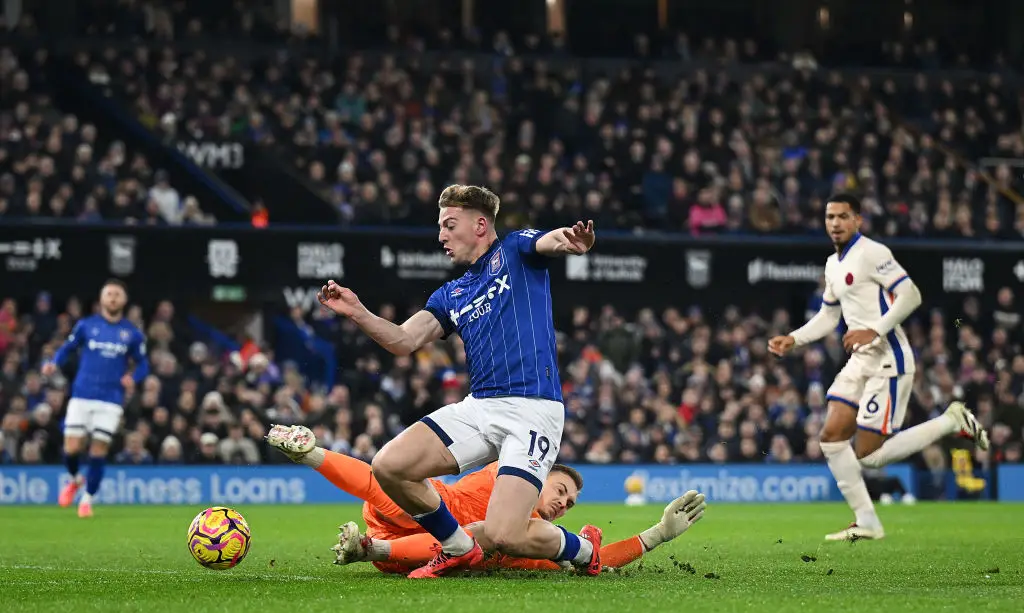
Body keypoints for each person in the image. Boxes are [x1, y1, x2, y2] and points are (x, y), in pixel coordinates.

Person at [315, 184, 600, 578]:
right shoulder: (452, 293)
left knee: (505, 534)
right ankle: (456, 547)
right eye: (440, 228)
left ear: (480, 224)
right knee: (389, 466)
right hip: (480, 406)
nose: (441, 237)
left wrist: (568, 240)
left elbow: (548, 242)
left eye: (449, 225)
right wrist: (358, 311)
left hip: (533, 409)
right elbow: (403, 340)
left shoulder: (515, 250)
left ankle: (585, 549)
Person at [768, 194, 987, 541]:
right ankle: (866, 519)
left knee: (868, 457)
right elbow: (829, 315)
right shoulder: (832, 264)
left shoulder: (873, 253)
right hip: (860, 359)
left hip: (889, 358)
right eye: (829, 217)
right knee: (830, 439)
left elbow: (911, 295)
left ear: (858, 220)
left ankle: (951, 421)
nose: (835, 223)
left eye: (842, 216)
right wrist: (794, 339)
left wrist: (875, 329)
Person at [264, 424, 707, 573]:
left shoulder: (538, 539)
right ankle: (311, 454)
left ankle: (371, 551)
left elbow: (596, 559)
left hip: (404, 556)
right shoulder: (509, 473)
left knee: (488, 538)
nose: (563, 504)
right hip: (419, 509)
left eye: (570, 504)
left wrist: (659, 533)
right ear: (536, 471)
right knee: (402, 490)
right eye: (560, 490)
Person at [42, 280, 149, 517]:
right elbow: (67, 348)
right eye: (109, 294)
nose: (112, 298)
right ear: (101, 299)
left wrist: (133, 377)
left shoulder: (131, 333)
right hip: (82, 394)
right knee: (71, 448)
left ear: (124, 300)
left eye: (117, 294)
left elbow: (143, 363)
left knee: (98, 450)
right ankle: (74, 480)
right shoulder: (86, 326)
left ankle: (87, 500)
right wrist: (53, 364)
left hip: (110, 398)